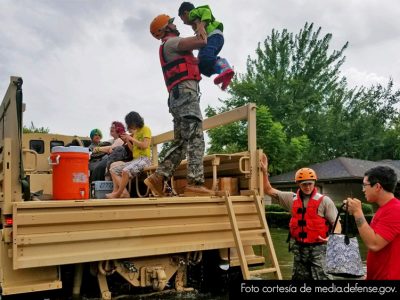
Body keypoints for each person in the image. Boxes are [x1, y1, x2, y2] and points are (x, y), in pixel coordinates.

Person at [147, 14, 214, 197]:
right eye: (171, 23)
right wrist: (200, 22)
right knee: (195, 137)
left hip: (178, 97)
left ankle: (158, 178)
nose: (175, 24)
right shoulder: (172, 43)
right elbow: (201, 40)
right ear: (164, 29)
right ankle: (195, 183)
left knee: (182, 143)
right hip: (185, 96)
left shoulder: (169, 46)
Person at [260, 154, 341, 280]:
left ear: (314, 183)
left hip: (319, 248)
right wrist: (265, 172)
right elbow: (268, 189)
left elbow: (337, 224)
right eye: (304, 184)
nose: (307, 187)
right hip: (300, 249)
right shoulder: (291, 199)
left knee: (323, 278)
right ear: (298, 184)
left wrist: (333, 238)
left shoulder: (325, 201)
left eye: (310, 183)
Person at [345, 166, 400, 280]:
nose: (363, 189)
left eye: (365, 185)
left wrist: (357, 212)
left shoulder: (395, 210)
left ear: (377, 186)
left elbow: (374, 244)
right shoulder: (384, 209)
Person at [178, 2, 234, 90]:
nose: (184, 23)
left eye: (182, 19)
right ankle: (224, 75)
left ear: (186, 13)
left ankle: (225, 68)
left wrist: (201, 26)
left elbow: (206, 11)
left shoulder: (193, 13)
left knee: (205, 56)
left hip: (213, 36)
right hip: (214, 39)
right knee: (201, 65)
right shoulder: (195, 21)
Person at [106, 112, 152, 199]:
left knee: (125, 171)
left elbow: (145, 145)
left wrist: (131, 138)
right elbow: (133, 150)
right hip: (136, 160)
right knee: (113, 169)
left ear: (134, 121)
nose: (129, 126)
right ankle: (120, 192)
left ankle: (119, 193)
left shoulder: (146, 129)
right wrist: (127, 140)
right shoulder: (136, 132)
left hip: (145, 160)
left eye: (129, 123)